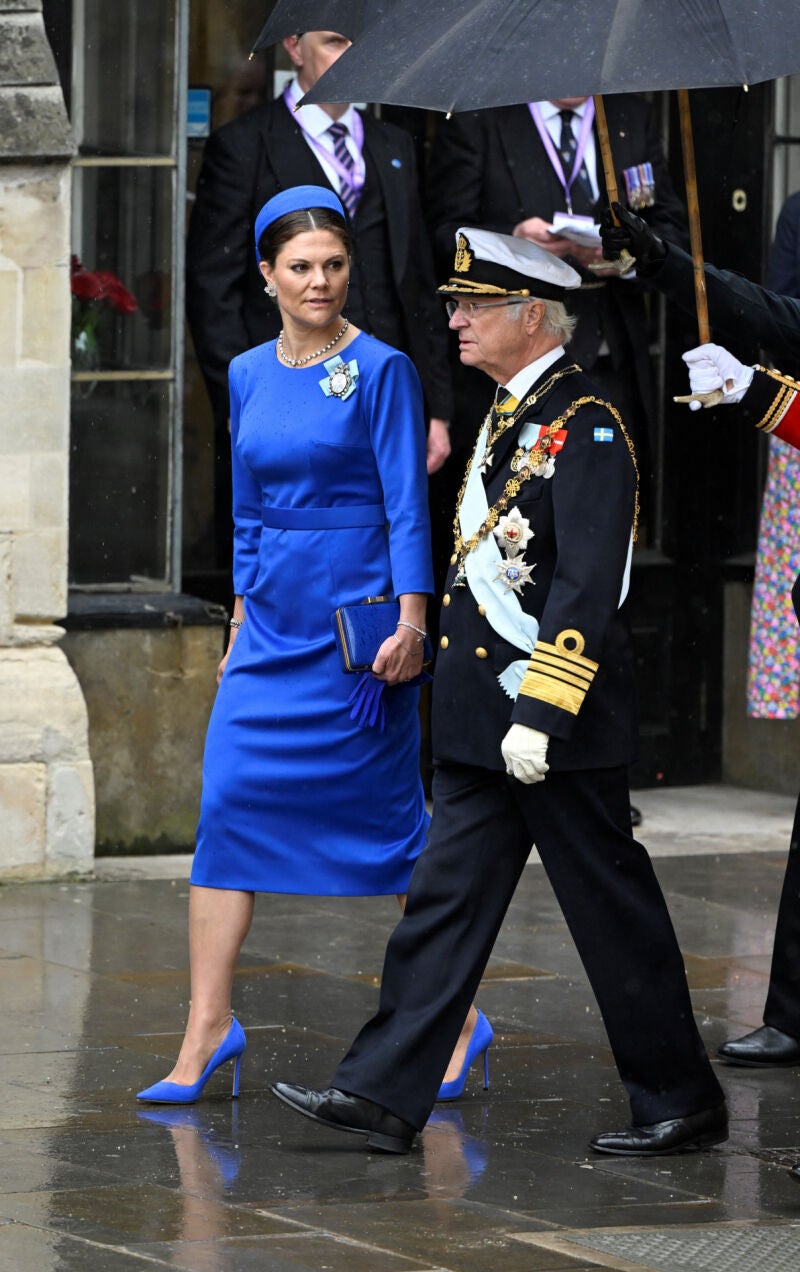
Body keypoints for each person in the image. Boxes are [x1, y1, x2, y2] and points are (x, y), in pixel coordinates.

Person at [268, 227, 727, 1158]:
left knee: (612, 914)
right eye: (454, 304)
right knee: (442, 906)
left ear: (532, 316)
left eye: (474, 306)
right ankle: (382, 1093)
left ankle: (681, 1099)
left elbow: (588, 583)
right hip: (487, 719)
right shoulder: (513, 408)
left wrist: (544, 711)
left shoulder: (587, 417)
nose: (456, 320)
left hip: (553, 722)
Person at [136, 185, 440, 1105]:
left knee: (395, 834)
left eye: (335, 265)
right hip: (268, 629)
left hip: (359, 633)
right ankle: (208, 1027)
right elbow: (248, 509)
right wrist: (236, 625)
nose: (320, 281)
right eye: (302, 267)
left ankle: (456, 1017)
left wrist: (414, 622)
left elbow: (405, 504)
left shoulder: (384, 369)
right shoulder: (243, 373)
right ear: (267, 275)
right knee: (226, 805)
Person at [186, 29, 453, 568]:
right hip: (287, 395)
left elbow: (419, 286)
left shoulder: (394, 145)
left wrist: (439, 409)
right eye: (334, 42)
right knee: (283, 560)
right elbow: (212, 287)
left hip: (385, 395)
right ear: (293, 47)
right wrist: (242, 400)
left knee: (388, 551)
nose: (350, 54)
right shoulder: (244, 144)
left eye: (359, 41)